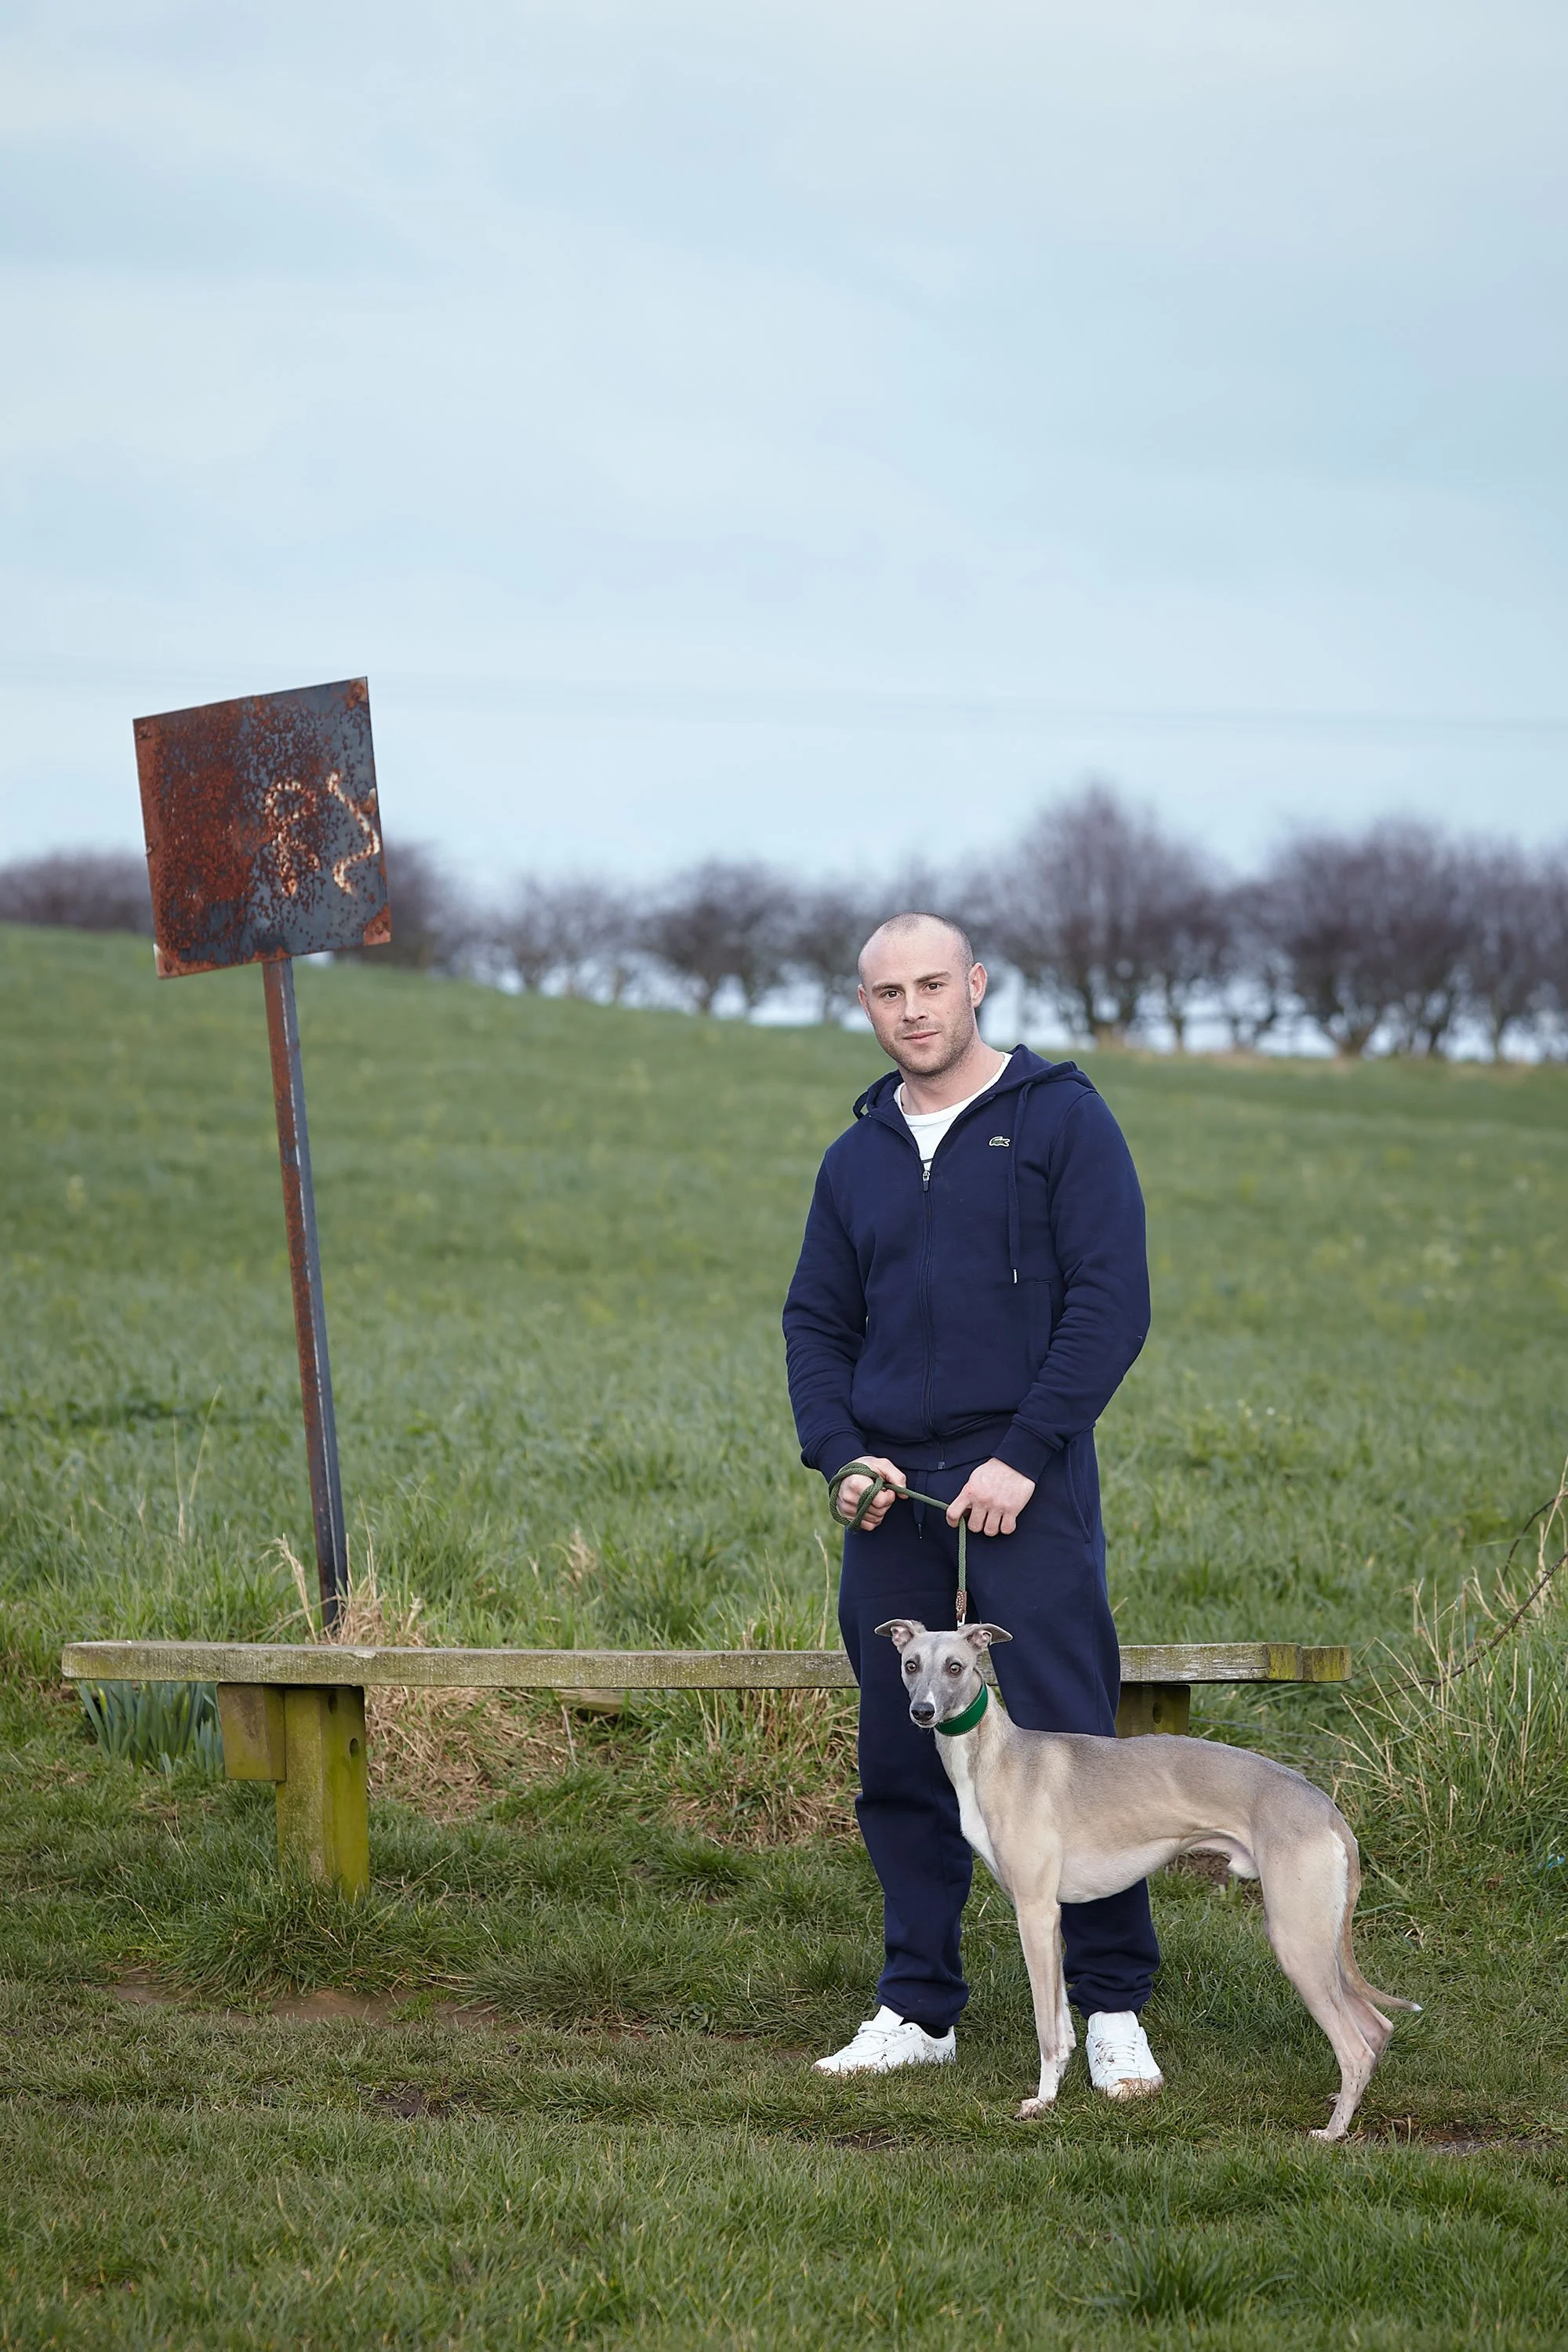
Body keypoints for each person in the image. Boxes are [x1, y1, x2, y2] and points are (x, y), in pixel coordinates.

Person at [782, 911, 1163, 2096]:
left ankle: (1110, 2005)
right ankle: (918, 2006)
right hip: (894, 1497)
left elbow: (1112, 1301)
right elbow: (815, 1324)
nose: (913, 1010)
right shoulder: (854, 1159)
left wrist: (1026, 1454)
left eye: (932, 985)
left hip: (1027, 1480)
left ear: (977, 985)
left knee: (1073, 1740)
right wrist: (842, 1456)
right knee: (903, 1745)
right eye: (888, 992)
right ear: (865, 1005)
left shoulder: (1062, 1119)